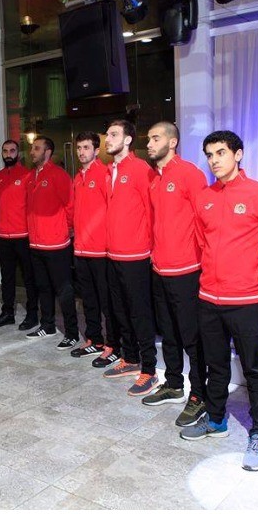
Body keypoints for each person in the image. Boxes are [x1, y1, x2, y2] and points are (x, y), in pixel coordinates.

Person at [179, 130, 258, 472]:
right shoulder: (204, 197)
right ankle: (216, 420)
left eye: (221, 153)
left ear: (238, 154)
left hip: (246, 300)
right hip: (208, 299)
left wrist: (253, 278)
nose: (214, 160)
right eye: (209, 154)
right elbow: (201, 243)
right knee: (215, 365)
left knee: (254, 368)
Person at [143, 122, 209, 428]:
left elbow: (204, 219)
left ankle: (199, 395)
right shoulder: (154, 178)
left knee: (191, 337)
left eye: (155, 138)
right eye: (148, 139)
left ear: (173, 142)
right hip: (160, 267)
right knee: (168, 332)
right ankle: (173, 384)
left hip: (186, 269)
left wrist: (206, 262)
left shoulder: (189, 174)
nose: (149, 143)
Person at [101, 119, 158, 397]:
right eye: (107, 134)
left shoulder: (140, 168)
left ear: (127, 139)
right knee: (120, 310)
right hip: (112, 253)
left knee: (139, 313)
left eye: (113, 135)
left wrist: (153, 248)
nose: (107, 139)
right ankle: (131, 358)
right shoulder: (109, 170)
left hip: (136, 255)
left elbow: (152, 211)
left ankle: (150, 369)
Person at [24, 136, 79, 349]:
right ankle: (47, 325)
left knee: (63, 290)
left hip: (56, 244)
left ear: (47, 152)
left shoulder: (58, 175)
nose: (32, 152)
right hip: (36, 244)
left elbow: (70, 206)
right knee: (43, 287)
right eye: (32, 148)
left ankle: (72, 333)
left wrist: (65, 229)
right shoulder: (31, 176)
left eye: (37, 148)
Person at [69, 132, 117, 364]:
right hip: (81, 249)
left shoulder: (105, 173)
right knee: (88, 299)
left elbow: (113, 209)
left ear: (97, 151)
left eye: (86, 147)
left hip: (101, 250)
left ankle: (113, 344)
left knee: (107, 302)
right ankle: (94, 340)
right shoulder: (78, 177)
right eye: (79, 147)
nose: (81, 152)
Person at [0, 140, 39, 330]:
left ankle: (32, 314)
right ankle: (7, 313)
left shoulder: (28, 175)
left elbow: (32, 205)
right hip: (3, 236)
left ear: (18, 153)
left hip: (23, 235)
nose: (8, 154)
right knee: (7, 277)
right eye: (5, 151)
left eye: (12, 151)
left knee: (29, 277)